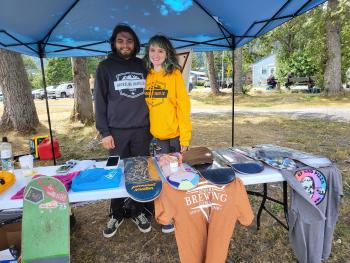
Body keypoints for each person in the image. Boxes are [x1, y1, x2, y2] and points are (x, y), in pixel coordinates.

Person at [94, 24, 152, 238]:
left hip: (142, 131)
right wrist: (104, 132)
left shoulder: (144, 65)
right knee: (115, 172)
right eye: (120, 40)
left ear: (135, 43)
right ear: (114, 43)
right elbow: (99, 102)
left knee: (140, 172)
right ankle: (116, 213)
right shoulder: (105, 67)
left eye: (129, 41)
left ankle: (138, 211)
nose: (125, 45)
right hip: (115, 133)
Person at [143, 35, 192, 233]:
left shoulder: (174, 75)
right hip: (157, 138)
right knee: (162, 176)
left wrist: (185, 138)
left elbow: (183, 108)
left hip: (174, 138)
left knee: (177, 175)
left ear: (167, 53)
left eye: (160, 51)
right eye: (153, 50)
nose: (156, 54)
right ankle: (167, 216)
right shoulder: (148, 75)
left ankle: (180, 213)